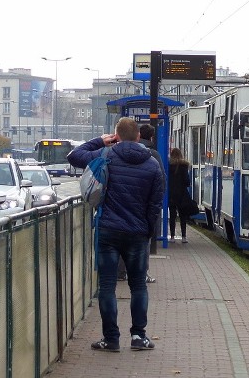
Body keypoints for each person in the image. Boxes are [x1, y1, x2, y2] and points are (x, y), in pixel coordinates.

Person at [67, 117, 165, 352]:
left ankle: (111, 339)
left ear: (116, 136)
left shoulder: (105, 155)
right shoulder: (153, 165)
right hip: (138, 233)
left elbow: (74, 156)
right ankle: (138, 337)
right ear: (139, 136)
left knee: (107, 287)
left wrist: (99, 140)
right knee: (138, 286)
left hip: (109, 231)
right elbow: (155, 204)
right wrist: (148, 230)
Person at [118, 123, 165, 283]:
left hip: (119, 210)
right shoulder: (153, 156)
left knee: (119, 242)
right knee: (142, 243)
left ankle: (119, 273)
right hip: (142, 211)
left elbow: (77, 156)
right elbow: (160, 184)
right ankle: (141, 274)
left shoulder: (113, 155)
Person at [168, 147, 192, 243]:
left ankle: (172, 236)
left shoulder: (169, 165)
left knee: (172, 216)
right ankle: (183, 237)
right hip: (182, 194)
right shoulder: (184, 166)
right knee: (183, 216)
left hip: (171, 194)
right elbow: (186, 181)